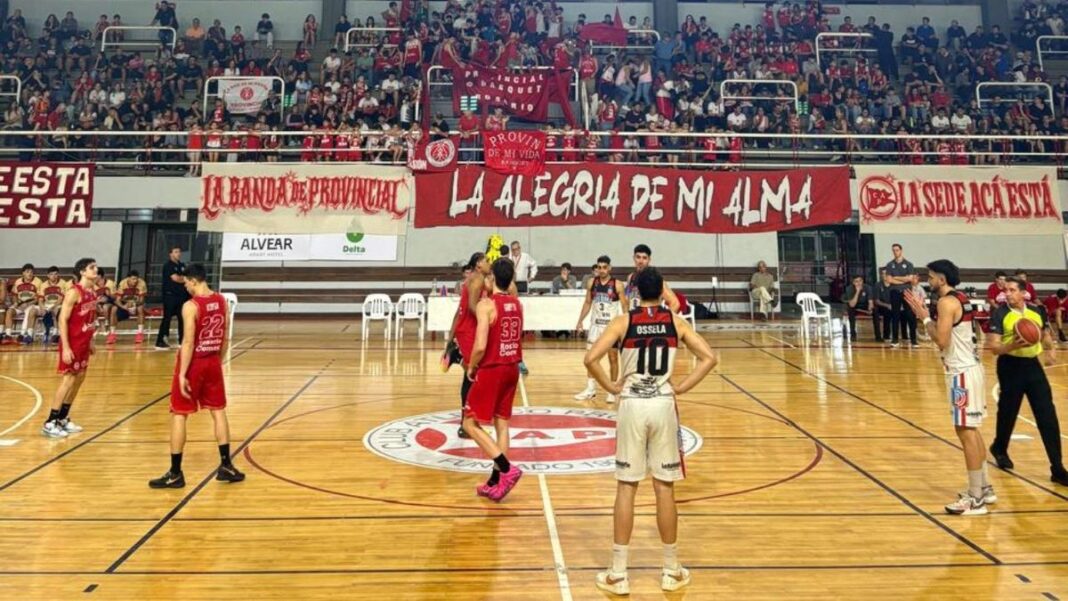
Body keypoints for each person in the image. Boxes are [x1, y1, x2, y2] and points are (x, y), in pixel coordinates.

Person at [586, 267, 718, 594]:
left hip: (632, 404)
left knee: (626, 488)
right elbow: (709, 357)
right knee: (664, 488)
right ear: (662, 292)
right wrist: (682, 387)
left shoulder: (624, 321)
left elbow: (590, 359)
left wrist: (612, 386)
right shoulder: (675, 321)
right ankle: (671, 569)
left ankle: (618, 572)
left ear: (634, 292)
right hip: (662, 403)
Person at [905, 259, 995, 515]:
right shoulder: (961, 298)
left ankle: (975, 497)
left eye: (931, 276)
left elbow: (942, 340)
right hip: (971, 369)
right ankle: (984, 487)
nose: (928, 280)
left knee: (965, 433)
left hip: (961, 374)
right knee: (972, 431)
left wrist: (923, 318)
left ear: (942, 279)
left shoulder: (946, 302)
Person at [150, 264, 245, 488]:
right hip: (213, 362)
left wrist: (183, 373)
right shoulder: (222, 301)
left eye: (186, 284)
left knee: (179, 414)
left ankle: (175, 473)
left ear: (193, 281)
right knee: (218, 412)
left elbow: (189, 342)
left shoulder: (191, 306)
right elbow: (225, 339)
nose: (186, 288)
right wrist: (218, 362)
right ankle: (226, 465)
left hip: (194, 364)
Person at [985, 277, 1068, 487]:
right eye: (1007, 290)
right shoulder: (1000, 312)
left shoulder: (1036, 311)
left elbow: (1044, 335)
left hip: (1033, 366)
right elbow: (994, 347)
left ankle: (1057, 467)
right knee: (1008, 411)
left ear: (1023, 293)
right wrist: (1011, 345)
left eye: (1013, 290)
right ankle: (1000, 448)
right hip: (1009, 365)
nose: (1008, 294)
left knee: (1047, 414)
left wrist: (1051, 349)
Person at [463, 258, 524, 502]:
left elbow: (479, 345)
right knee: (502, 423)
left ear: (491, 279)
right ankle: (495, 481)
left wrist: (472, 365)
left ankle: (506, 469)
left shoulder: (486, 305)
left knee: (469, 423)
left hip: (493, 368)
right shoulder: (517, 303)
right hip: (512, 367)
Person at [42, 258, 99, 439]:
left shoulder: (92, 292)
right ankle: (50, 421)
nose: (95, 270)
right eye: (92, 267)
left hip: (83, 342)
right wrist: (65, 347)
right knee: (68, 380)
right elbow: (62, 320)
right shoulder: (74, 292)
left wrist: (91, 341)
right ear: (82, 272)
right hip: (72, 343)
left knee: (80, 378)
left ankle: (63, 418)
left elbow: (89, 319)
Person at [447, 252, 491, 439]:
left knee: (472, 376)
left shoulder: (474, 278)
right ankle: (466, 423)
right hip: (469, 332)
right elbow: (473, 306)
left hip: (464, 330)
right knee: (471, 376)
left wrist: (450, 337)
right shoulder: (477, 279)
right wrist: (489, 319)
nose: (490, 263)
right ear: (479, 264)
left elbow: (460, 310)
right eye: (487, 261)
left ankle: (469, 420)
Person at [574, 255, 628, 402]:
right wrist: (580, 321)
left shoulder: (617, 284)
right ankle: (591, 389)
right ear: (596, 268)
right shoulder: (592, 282)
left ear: (610, 268)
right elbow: (587, 303)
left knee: (612, 358)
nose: (602, 270)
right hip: (595, 326)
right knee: (590, 358)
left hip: (611, 328)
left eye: (605, 267)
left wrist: (626, 325)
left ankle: (613, 389)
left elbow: (624, 306)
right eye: (599, 267)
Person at [624, 244, 680, 312]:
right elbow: (627, 301)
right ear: (634, 258)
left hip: (649, 320)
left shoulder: (654, 279)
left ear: (649, 260)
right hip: (634, 319)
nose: (641, 261)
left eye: (644, 258)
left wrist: (665, 320)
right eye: (638, 257)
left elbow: (675, 304)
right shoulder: (630, 277)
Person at [156, 246, 189, 350]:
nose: (178, 254)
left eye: (179, 252)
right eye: (176, 252)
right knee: (167, 318)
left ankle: (182, 340)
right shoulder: (168, 266)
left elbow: (187, 277)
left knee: (182, 318)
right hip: (170, 296)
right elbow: (177, 279)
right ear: (170, 254)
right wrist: (185, 278)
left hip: (182, 296)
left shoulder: (182, 266)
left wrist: (185, 278)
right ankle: (161, 341)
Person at [885, 243, 916, 348]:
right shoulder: (890, 264)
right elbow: (889, 280)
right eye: (893, 250)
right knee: (895, 315)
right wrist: (903, 279)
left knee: (910, 315)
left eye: (897, 250)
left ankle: (914, 340)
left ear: (901, 250)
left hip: (907, 292)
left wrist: (896, 278)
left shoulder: (909, 264)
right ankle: (894, 340)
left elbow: (910, 278)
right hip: (894, 292)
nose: (895, 252)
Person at [3, 263, 42, 345]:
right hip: (20, 304)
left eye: (31, 272)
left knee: (29, 310)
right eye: (27, 272)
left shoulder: (38, 281)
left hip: (31, 304)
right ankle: (8, 335)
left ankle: (23, 334)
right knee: (9, 311)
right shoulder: (18, 281)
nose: (30, 273)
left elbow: (38, 298)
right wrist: (16, 303)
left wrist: (28, 304)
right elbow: (14, 295)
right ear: (23, 273)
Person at [110, 270, 148, 345]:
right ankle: (112, 334)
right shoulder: (122, 283)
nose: (135, 281)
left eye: (136, 279)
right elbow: (117, 300)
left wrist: (134, 304)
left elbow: (142, 300)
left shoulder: (142, 283)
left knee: (140, 308)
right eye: (133, 279)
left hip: (136, 304)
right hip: (125, 304)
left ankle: (140, 333)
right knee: (114, 309)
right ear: (128, 279)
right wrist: (123, 306)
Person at [38, 266, 69, 344]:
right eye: (51, 274)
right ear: (48, 275)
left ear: (58, 275)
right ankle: (44, 333)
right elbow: (40, 299)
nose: (54, 276)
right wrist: (42, 307)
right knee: (34, 311)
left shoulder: (63, 283)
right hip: (47, 305)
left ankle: (55, 334)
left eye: (55, 274)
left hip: (59, 305)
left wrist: (54, 306)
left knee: (56, 311)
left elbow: (61, 298)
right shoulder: (43, 284)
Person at [843, 275, 875, 342]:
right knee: (850, 310)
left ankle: (878, 336)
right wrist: (857, 291)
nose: (859, 283)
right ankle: (853, 334)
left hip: (865, 305)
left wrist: (870, 309)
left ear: (862, 281)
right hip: (855, 305)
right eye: (856, 281)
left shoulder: (868, 287)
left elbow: (870, 302)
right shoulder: (849, 289)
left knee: (875, 310)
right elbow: (852, 304)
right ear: (853, 283)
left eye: (860, 281)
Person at [874, 269, 893, 342]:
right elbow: (877, 301)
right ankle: (884, 336)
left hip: (893, 306)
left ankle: (905, 336)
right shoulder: (878, 285)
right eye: (883, 274)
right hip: (881, 306)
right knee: (886, 312)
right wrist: (887, 305)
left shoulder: (894, 285)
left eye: (886, 273)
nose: (884, 275)